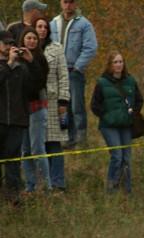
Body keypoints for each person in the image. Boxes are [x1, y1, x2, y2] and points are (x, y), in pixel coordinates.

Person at [90, 51, 143, 193]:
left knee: (126, 158)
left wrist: (133, 113)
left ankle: (127, 190)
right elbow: (94, 105)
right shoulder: (102, 82)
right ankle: (111, 188)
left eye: (121, 62)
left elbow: (139, 100)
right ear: (110, 65)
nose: (119, 64)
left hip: (125, 124)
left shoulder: (130, 81)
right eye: (115, 62)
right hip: (109, 126)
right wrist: (106, 116)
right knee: (117, 156)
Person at [50, 0, 97, 147]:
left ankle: (81, 138)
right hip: (57, 72)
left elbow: (91, 47)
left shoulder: (84, 24)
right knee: (62, 106)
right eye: (65, 2)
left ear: (75, 4)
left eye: (71, 2)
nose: (68, 5)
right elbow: (48, 44)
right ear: (61, 3)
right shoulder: (53, 23)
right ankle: (66, 137)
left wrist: (78, 66)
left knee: (77, 106)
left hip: (74, 71)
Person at [35, 17, 69, 191]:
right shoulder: (28, 48)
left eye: (44, 27)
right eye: (38, 27)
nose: (42, 30)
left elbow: (63, 76)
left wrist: (64, 100)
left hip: (54, 101)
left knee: (54, 144)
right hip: (34, 102)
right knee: (38, 145)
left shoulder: (56, 49)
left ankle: (58, 183)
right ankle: (43, 183)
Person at [0, 30, 30, 205]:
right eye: (6, 43)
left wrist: (30, 62)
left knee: (12, 162)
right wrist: (9, 64)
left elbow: (35, 87)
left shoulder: (21, 67)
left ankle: (14, 199)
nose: (10, 46)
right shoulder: (8, 66)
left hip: (17, 121)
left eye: (12, 43)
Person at [20, 27, 50, 192]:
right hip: (22, 109)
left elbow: (39, 82)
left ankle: (46, 186)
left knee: (37, 148)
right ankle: (30, 186)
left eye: (34, 38)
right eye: (28, 38)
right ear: (23, 40)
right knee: (25, 150)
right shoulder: (17, 59)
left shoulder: (40, 59)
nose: (31, 41)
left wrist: (31, 62)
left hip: (37, 107)